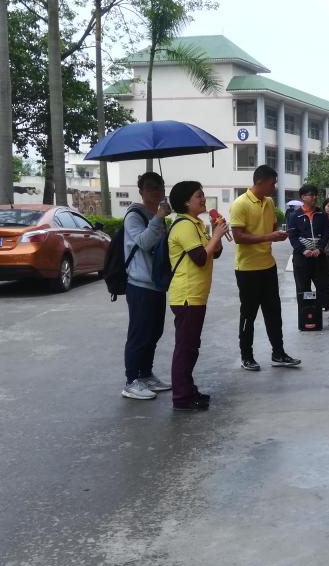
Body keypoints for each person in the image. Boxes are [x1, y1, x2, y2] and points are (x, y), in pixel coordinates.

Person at [229, 164, 301, 371]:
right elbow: (238, 237)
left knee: (273, 312)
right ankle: (246, 356)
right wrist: (269, 236)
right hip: (247, 269)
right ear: (260, 182)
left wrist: (277, 234)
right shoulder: (240, 204)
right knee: (248, 314)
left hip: (268, 266)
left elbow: (270, 228)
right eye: (272, 183)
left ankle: (278, 353)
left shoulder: (269, 202)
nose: (274, 187)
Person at [166, 181, 229, 411]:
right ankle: (182, 397)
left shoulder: (197, 224)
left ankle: (188, 389)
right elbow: (200, 258)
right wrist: (216, 235)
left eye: (203, 195)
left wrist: (215, 232)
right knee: (185, 347)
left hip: (197, 295)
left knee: (191, 346)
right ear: (186, 201)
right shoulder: (184, 226)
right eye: (198, 196)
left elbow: (215, 253)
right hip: (186, 296)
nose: (203, 199)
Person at [121, 171, 171, 401]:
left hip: (157, 283)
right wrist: (159, 217)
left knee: (154, 332)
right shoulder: (134, 215)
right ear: (141, 191)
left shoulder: (157, 215)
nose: (156, 190)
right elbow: (144, 242)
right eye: (150, 187)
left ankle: (146, 374)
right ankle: (131, 381)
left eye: (159, 186)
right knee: (139, 334)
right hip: (139, 284)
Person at [287, 184, 329, 328]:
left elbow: (326, 233)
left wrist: (320, 248)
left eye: (315, 194)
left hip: (319, 257)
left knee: (325, 285)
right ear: (303, 197)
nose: (315, 197)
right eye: (311, 195)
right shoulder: (294, 216)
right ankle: (306, 318)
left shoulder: (321, 214)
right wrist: (302, 250)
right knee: (303, 288)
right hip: (301, 258)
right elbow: (292, 236)